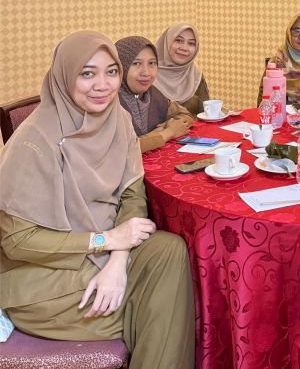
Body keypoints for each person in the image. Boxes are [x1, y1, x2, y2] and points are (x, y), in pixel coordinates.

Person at [0, 31, 195, 369]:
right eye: (87, 73)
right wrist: (104, 240)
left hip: (104, 251)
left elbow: (131, 194)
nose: (102, 84)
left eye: (111, 72)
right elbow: (18, 242)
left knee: (170, 250)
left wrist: (118, 259)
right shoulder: (34, 141)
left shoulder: (117, 120)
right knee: (161, 308)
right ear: (64, 76)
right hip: (45, 271)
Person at [115, 36, 194, 152]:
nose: (146, 72)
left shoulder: (152, 93)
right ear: (121, 67)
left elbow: (185, 115)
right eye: (136, 63)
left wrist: (160, 131)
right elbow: (124, 149)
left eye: (152, 63)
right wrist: (167, 132)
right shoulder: (108, 100)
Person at [155, 22, 209, 116]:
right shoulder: (148, 75)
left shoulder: (196, 76)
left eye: (191, 43)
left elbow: (206, 114)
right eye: (178, 40)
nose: (184, 48)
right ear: (167, 42)